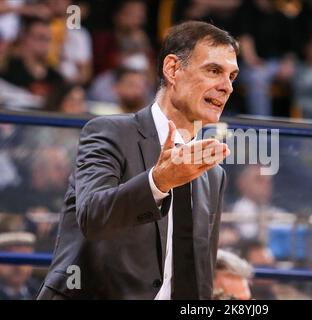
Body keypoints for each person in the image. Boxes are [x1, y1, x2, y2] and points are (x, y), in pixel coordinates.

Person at [37, 20, 239, 300]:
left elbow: (198, 277)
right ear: (173, 69)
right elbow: (93, 216)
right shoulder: (108, 132)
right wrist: (159, 182)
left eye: (232, 76)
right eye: (214, 70)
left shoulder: (213, 174)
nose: (226, 86)